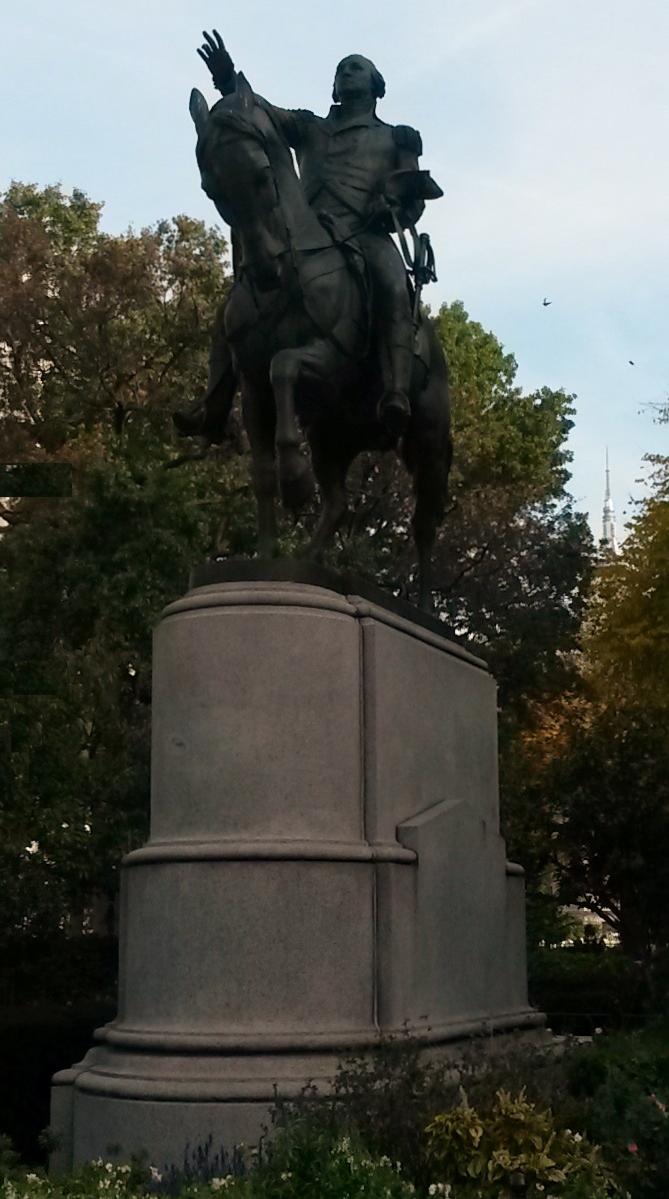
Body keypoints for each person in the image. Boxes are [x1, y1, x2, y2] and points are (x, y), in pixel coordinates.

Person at [174, 32, 441, 442]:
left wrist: (392, 211)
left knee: (390, 281)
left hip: (364, 233)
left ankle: (396, 390)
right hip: (307, 235)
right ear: (333, 88)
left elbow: (413, 200)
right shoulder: (308, 126)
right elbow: (258, 110)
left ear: (375, 85)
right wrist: (228, 79)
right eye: (341, 69)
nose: (347, 71)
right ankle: (214, 405)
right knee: (236, 301)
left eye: (357, 67)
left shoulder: (397, 137)